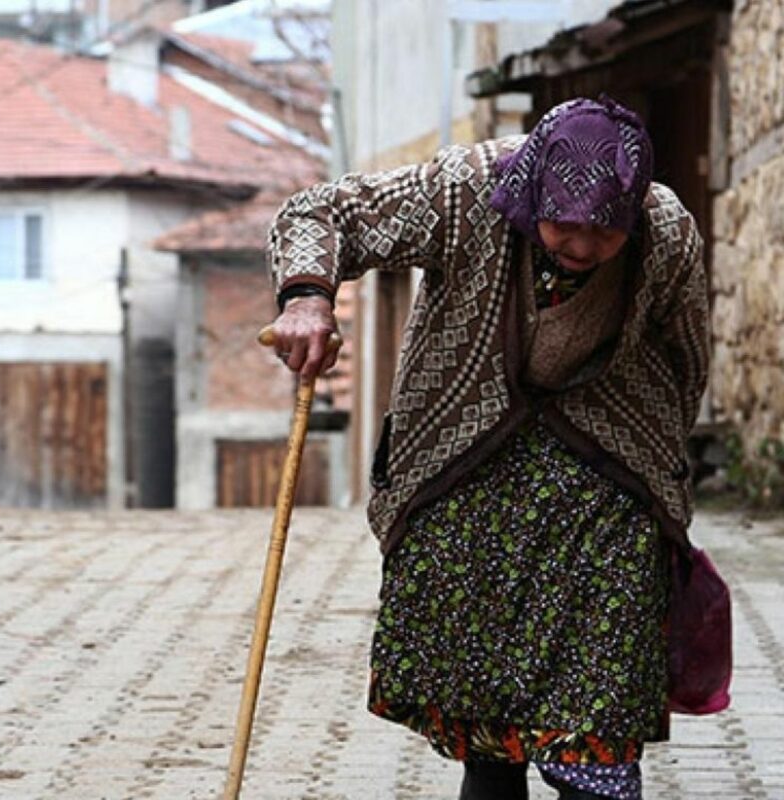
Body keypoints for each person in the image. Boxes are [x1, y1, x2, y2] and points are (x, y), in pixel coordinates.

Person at [265, 97, 710, 800]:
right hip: (464, 466)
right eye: (566, 222)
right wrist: (307, 298)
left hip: (605, 477)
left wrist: (664, 478)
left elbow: (687, 358)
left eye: (606, 229)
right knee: (487, 719)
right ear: (533, 190)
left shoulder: (665, 232)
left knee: (601, 717)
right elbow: (321, 212)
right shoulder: (464, 191)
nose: (584, 245)